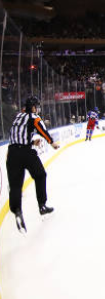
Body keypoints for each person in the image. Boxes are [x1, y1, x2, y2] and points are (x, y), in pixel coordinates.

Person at [6, 96, 60, 234]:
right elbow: (41, 129)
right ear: (33, 107)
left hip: (12, 153)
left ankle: (17, 210)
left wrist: (31, 142)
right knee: (40, 175)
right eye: (36, 106)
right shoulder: (33, 117)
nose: (37, 108)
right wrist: (51, 142)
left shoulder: (18, 117)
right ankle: (42, 205)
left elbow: (16, 137)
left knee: (16, 185)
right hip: (26, 153)